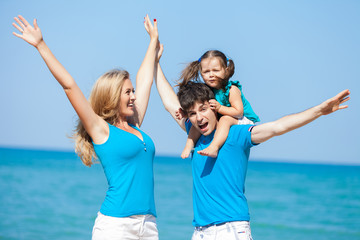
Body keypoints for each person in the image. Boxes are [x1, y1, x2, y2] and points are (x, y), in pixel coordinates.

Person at [154, 47, 350, 240]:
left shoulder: (235, 134)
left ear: (214, 107)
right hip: (200, 231)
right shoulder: (195, 134)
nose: (198, 117)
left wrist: (319, 111)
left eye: (203, 109)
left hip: (231, 229)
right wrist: (155, 61)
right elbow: (169, 101)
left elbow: (277, 127)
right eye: (193, 113)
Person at [13, 15, 160, 240]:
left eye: (133, 91)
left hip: (148, 225)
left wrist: (152, 41)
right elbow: (69, 86)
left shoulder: (136, 125)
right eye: (127, 92)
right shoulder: (101, 130)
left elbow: (145, 80)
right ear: (113, 96)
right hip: (116, 226)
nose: (133, 97)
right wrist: (41, 45)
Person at [177, 50, 259, 159]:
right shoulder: (208, 89)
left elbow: (238, 112)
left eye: (216, 70)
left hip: (244, 119)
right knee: (195, 123)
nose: (211, 75)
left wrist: (220, 107)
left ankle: (214, 147)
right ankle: (188, 146)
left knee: (225, 119)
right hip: (228, 118)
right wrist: (185, 113)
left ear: (226, 71)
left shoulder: (231, 90)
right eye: (206, 72)